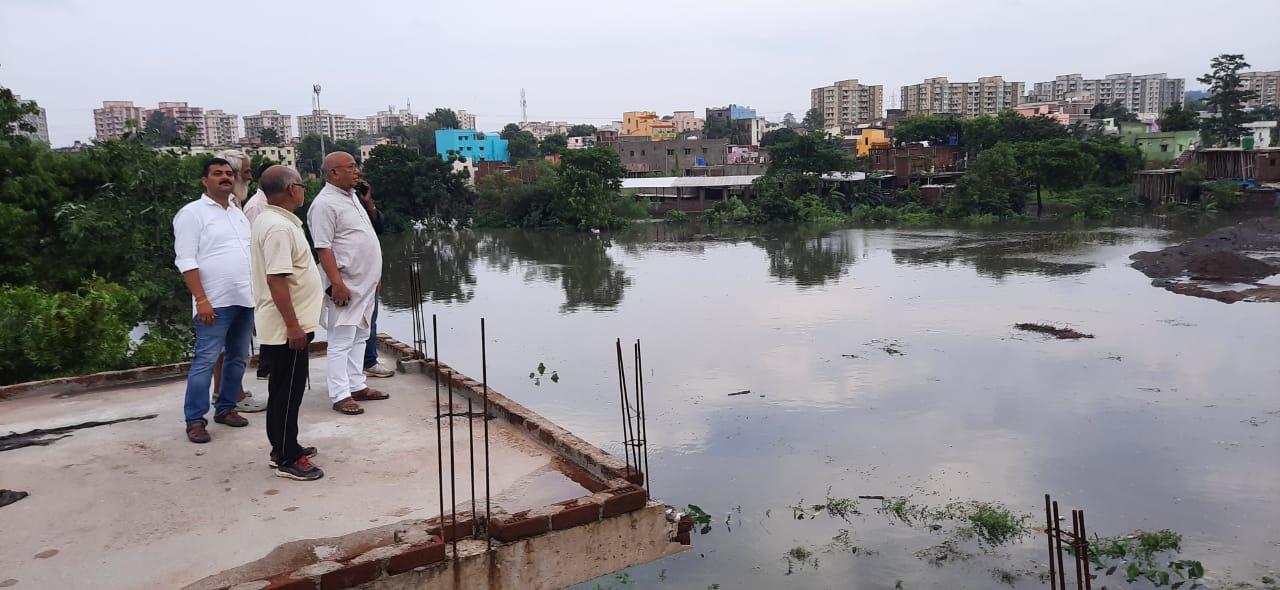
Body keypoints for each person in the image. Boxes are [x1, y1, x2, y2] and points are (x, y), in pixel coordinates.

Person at [173, 158, 255, 443]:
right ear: (204, 180)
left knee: (237, 358)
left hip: (245, 298)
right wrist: (201, 299)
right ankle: (195, 420)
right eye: (217, 173)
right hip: (214, 302)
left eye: (229, 174)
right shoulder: (192, 214)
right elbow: (185, 259)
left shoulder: (237, 212)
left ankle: (226, 408)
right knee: (205, 361)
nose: (225, 178)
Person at [251, 166, 324, 480]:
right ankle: (285, 456)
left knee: (286, 389)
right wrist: (293, 325)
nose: (303, 190)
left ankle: (285, 444)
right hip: (286, 328)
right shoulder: (278, 227)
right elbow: (276, 279)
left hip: (288, 324)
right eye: (302, 185)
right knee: (286, 392)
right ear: (292, 189)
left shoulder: (274, 221)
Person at [307, 152, 388, 415]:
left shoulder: (352, 197)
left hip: (365, 283)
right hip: (346, 284)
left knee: (361, 335)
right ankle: (340, 394)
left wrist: (374, 275)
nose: (357, 171)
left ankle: (356, 384)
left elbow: (368, 236)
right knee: (341, 339)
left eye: (356, 166)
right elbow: (323, 247)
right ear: (333, 173)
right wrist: (336, 283)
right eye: (351, 167)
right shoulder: (324, 205)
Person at [209, 150, 268, 410]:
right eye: (244, 170)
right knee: (226, 347)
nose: (249, 175)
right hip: (223, 290)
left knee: (234, 346)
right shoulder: (224, 206)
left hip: (239, 287)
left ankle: (229, 392)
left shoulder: (235, 203)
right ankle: (231, 395)